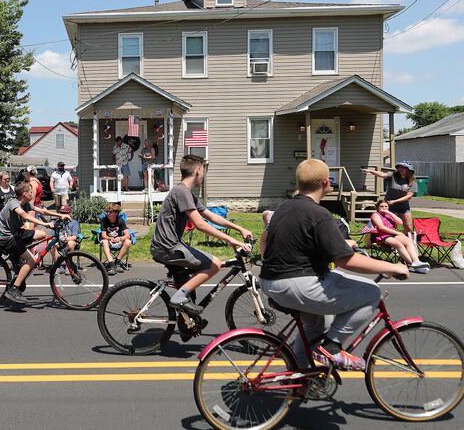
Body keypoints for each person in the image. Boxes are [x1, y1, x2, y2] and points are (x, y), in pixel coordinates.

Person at [260, 159, 409, 371]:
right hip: (295, 282)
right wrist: (391, 267)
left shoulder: (284, 207)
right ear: (325, 183)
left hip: (271, 280)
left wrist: (338, 244)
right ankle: (332, 348)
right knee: (371, 292)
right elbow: (345, 261)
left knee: (316, 323)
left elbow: (272, 242)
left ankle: (303, 374)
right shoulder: (319, 214)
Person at [150, 155, 252, 326]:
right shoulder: (181, 192)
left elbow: (210, 216)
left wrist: (239, 229)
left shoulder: (186, 193)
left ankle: (186, 324)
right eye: (203, 171)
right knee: (214, 264)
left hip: (171, 245)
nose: (204, 175)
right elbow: (200, 224)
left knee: (192, 282)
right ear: (198, 170)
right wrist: (231, 240)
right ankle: (180, 297)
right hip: (167, 247)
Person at [0, 181, 70, 305]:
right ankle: (14, 289)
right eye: (30, 191)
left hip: (16, 233)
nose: (32, 193)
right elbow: (24, 215)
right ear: (24, 194)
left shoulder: (26, 203)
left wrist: (60, 215)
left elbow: (43, 211)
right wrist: (45, 224)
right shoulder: (14, 203)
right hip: (6, 238)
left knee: (42, 234)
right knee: (31, 261)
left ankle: (19, 259)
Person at [370, 199, 430, 274]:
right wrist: (397, 233)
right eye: (381, 206)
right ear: (377, 207)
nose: (384, 208)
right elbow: (381, 227)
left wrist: (389, 213)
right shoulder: (375, 215)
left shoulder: (389, 214)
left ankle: (416, 261)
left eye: (386, 206)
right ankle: (412, 264)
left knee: (409, 241)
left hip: (392, 234)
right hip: (381, 235)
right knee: (399, 244)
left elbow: (400, 222)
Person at [362, 161, 418, 234]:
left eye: (403, 167)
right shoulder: (393, 176)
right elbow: (382, 174)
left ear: (408, 170)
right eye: (400, 167)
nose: (401, 169)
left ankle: (403, 238)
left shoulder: (412, 182)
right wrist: (370, 171)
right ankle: (392, 240)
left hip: (403, 206)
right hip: (389, 206)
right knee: (390, 225)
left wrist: (395, 201)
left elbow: (408, 196)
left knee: (409, 226)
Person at [100, 203, 132, 275]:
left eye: (110, 212)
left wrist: (120, 238)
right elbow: (103, 235)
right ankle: (111, 265)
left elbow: (127, 235)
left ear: (116, 213)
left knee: (128, 241)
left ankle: (117, 263)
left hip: (118, 241)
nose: (108, 213)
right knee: (104, 241)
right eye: (107, 212)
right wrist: (109, 238)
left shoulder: (120, 220)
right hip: (108, 241)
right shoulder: (104, 220)